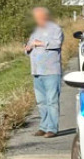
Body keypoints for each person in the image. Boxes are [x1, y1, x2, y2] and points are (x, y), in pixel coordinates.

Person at [25, 7, 64, 137]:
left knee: (52, 101)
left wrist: (40, 43)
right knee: (41, 101)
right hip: (36, 71)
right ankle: (43, 125)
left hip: (51, 71)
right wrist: (28, 47)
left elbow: (57, 44)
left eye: (39, 16)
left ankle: (52, 128)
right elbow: (28, 47)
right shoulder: (35, 30)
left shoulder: (56, 29)